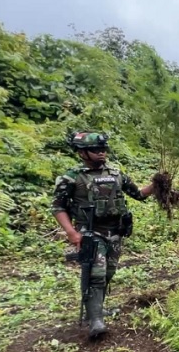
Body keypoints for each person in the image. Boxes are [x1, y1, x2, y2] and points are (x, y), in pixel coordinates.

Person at [51, 131, 154, 339]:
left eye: (103, 149)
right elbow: (58, 207)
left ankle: (97, 309)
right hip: (90, 232)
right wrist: (71, 232)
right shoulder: (72, 178)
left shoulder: (116, 173)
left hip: (115, 231)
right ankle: (96, 320)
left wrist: (157, 184)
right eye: (96, 150)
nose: (101, 153)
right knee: (95, 275)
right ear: (82, 153)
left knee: (108, 272)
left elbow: (139, 194)